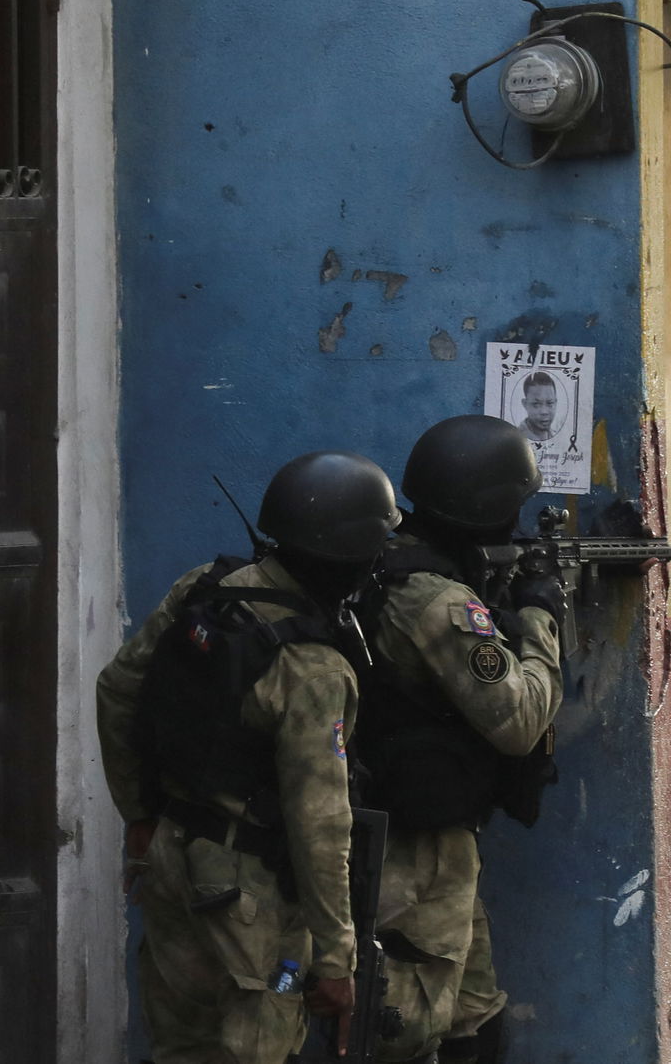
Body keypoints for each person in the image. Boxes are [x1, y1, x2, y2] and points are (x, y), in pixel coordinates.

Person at [96, 451, 401, 1064]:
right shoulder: (314, 670)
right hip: (249, 901)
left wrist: (139, 817)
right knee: (257, 1040)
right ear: (353, 559)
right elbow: (321, 826)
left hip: (170, 861)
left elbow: (117, 689)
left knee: (180, 1048)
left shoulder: (205, 590)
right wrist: (338, 962)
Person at [354, 415, 564, 1064]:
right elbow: (520, 720)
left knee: (473, 1017)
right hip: (415, 855)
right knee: (409, 1031)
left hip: (431, 844)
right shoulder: (438, 602)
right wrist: (538, 617)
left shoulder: (390, 562)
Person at [518, 371, 559, 443]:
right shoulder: (517, 436)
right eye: (536, 404)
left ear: (555, 403)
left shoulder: (557, 436)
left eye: (550, 403)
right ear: (525, 404)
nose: (544, 412)